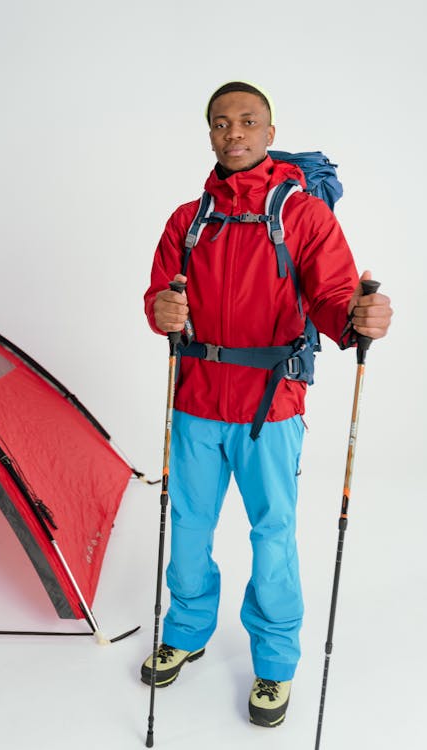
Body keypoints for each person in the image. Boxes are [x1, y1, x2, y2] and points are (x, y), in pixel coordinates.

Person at [141, 81, 392, 728]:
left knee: (272, 536)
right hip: (196, 403)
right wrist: (162, 311)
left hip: (271, 409)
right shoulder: (186, 220)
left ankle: (275, 663)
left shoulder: (305, 216)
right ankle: (189, 630)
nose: (234, 132)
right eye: (221, 123)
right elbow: (159, 299)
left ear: (270, 133)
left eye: (248, 121)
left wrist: (360, 317)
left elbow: (336, 297)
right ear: (210, 135)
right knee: (189, 530)